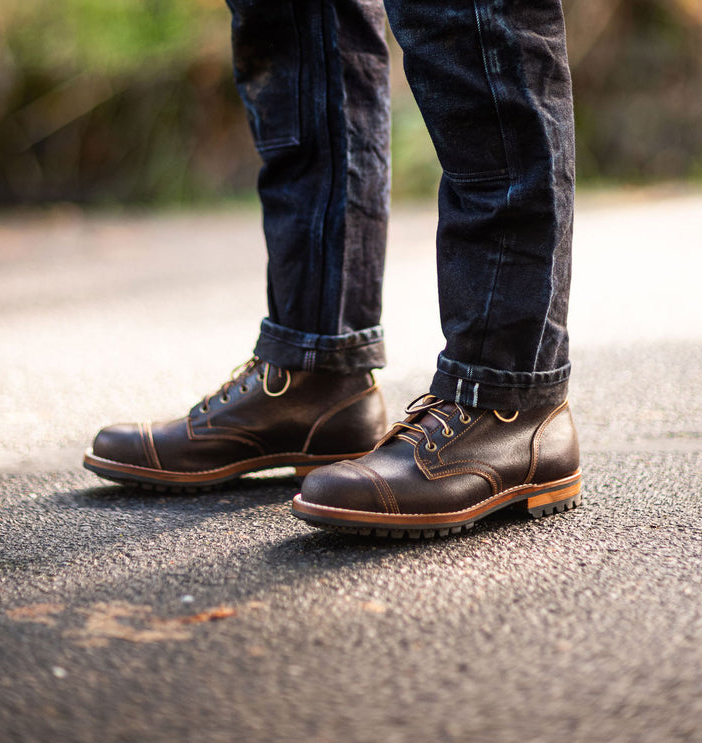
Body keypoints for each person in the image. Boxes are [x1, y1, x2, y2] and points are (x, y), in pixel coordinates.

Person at [84, 0, 581, 539]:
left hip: (509, 402)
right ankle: (314, 373)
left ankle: (509, 399)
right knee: (297, 21)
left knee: (463, 13)